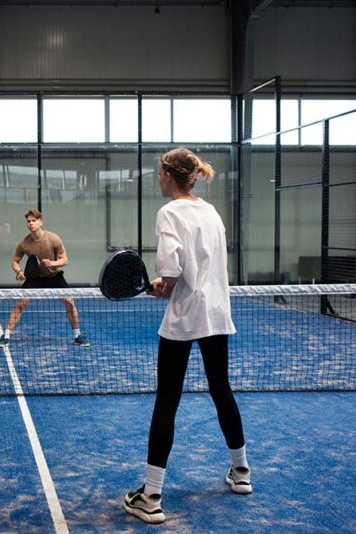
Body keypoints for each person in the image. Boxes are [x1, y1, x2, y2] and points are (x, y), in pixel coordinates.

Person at [123, 148, 251, 524]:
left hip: (184, 315)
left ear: (167, 175)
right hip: (216, 312)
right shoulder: (209, 211)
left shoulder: (169, 213)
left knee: (167, 400)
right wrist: (170, 281)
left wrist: (160, 285)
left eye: (159, 174)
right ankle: (241, 472)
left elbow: (172, 272)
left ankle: (151, 496)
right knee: (221, 389)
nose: (157, 179)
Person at [0, 209, 90, 348]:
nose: (31, 223)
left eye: (34, 221)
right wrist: (19, 271)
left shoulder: (53, 239)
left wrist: (53, 263)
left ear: (41, 222)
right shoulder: (24, 243)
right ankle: (7, 335)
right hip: (35, 277)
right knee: (21, 304)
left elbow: (64, 260)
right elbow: (15, 261)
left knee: (69, 302)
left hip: (54, 276)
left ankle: (77, 335)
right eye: (28, 221)